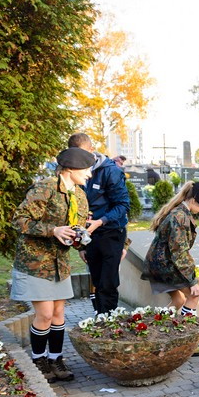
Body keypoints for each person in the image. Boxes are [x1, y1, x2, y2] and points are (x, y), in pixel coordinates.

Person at [11, 147, 95, 383]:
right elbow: (19, 220)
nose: (89, 175)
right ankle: (39, 360)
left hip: (60, 264)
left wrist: (80, 240)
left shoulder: (79, 196)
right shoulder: (46, 187)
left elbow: (75, 230)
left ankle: (56, 359)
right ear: (71, 168)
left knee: (59, 314)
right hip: (36, 262)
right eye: (86, 170)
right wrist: (53, 230)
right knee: (45, 314)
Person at [68, 134, 130, 315]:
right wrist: (80, 245)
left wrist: (100, 221)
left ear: (90, 151)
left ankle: (108, 322)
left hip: (111, 231)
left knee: (108, 282)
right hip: (89, 235)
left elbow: (123, 205)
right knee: (96, 279)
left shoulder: (111, 171)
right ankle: (99, 316)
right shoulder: (75, 172)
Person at [142, 182, 199, 316]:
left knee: (179, 300)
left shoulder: (179, 211)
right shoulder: (180, 217)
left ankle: (159, 326)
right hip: (164, 266)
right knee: (194, 296)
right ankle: (189, 331)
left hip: (157, 264)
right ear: (193, 200)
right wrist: (192, 281)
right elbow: (179, 251)